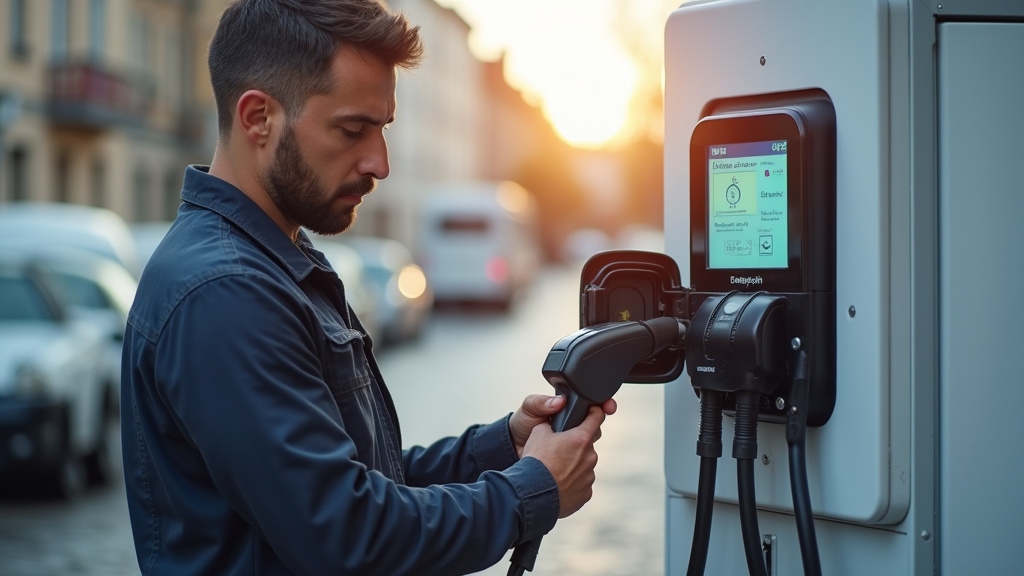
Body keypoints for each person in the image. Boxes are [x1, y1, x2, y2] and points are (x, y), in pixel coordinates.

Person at [120, 1, 616, 574]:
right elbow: (348, 535)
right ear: (258, 118)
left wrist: (506, 445)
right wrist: (533, 489)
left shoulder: (273, 261)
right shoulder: (227, 292)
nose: (379, 163)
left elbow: (362, 478)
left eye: (382, 130)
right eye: (353, 130)